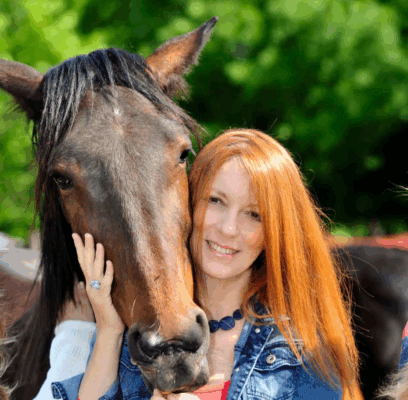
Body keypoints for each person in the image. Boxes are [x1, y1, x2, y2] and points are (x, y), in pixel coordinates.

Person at [46, 128, 363, 400]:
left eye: (254, 215)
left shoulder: (306, 353)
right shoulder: (137, 334)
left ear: (273, 233)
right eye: (216, 201)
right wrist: (109, 328)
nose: (228, 228)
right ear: (187, 202)